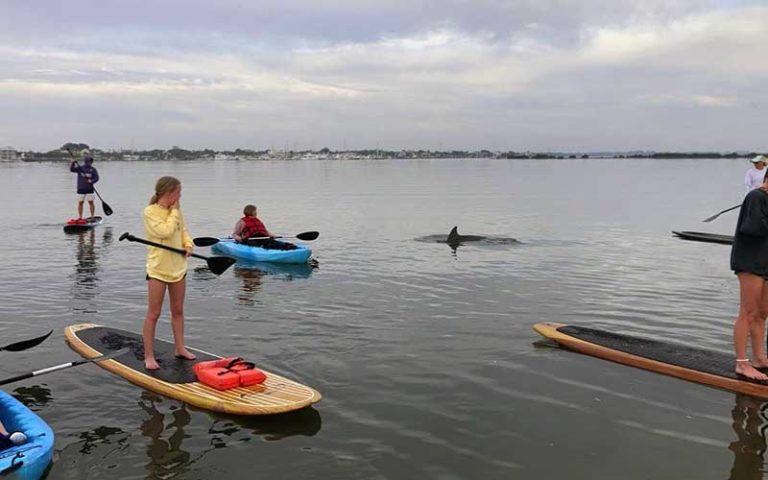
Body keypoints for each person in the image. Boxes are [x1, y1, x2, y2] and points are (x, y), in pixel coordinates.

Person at [142, 176, 196, 370]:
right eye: (178, 192)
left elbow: (183, 231)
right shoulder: (150, 212)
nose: (180, 196)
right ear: (169, 193)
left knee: (178, 310)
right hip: (158, 269)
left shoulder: (176, 212)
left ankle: (180, 348)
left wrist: (188, 244)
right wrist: (174, 212)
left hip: (178, 268)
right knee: (154, 313)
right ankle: (149, 356)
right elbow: (165, 231)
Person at [730, 169, 768, 380]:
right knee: (748, 312)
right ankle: (742, 363)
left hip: (765, 262)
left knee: (763, 312)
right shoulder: (756, 197)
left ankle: (760, 358)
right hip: (749, 261)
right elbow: (753, 228)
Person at [232, 204, 297, 250]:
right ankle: (265, 248)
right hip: (250, 239)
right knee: (259, 244)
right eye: (255, 211)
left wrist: (272, 235)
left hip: (262, 236)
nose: (256, 212)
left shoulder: (258, 220)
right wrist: (239, 238)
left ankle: (287, 246)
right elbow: (235, 234)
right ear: (251, 212)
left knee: (270, 241)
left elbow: (264, 231)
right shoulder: (241, 221)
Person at [69, 149, 100, 220]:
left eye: (91, 161)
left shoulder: (93, 169)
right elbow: (72, 169)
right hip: (81, 188)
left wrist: (91, 181)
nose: (90, 162)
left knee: (91, 202)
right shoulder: (80, 168)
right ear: (86, 161)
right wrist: (73, 163)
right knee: (80, 203)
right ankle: (80, 217)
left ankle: (92, 217)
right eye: (89, 161)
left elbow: (97, 178)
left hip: (89, 189)